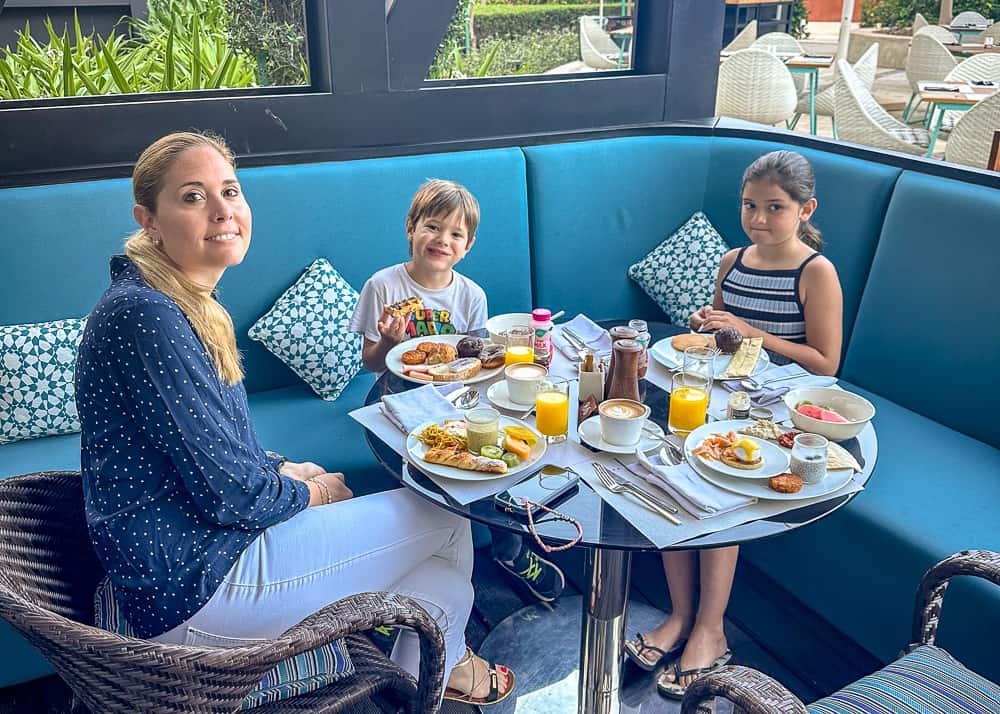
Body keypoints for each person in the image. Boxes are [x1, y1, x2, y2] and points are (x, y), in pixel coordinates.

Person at [74, 131, 513, 706]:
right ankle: (439, 667)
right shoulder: (149, 317)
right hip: (196, 587)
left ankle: (425, 676)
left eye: (229, 190)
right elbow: (231, 492)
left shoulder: (170, 299)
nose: (222, 210)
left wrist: (287, 466)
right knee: (447, 513)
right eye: (192, 196)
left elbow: (215, 444)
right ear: (147, 218)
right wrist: (315, 493)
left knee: (446, 580)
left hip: (197, 554)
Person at [627, 150, 843, 699]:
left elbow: (825, 362)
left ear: (805, 209)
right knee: (669, 476)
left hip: (775, 412)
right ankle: (679, 615)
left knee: (715, 493)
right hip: (716, 395)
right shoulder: (731, 261)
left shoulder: (815, 271)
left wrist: (748, 331)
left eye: (775, 207)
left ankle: (710, 629)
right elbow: (719, 338)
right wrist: (706, 322)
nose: (759, 219)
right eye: (750, 205)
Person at [347, 179, 566, 604]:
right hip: (396, 400)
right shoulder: (383, 286)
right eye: (432, 227)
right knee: (415, 486)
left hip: (456, 403)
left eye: (455, 234)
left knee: (495, 463)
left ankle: (510, 552)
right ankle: (406, 575)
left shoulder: (470, 295)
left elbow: (477, 366)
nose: (442, 240)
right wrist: (390, 341)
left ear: (467, 246)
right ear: (410, 228)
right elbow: (370, 363)